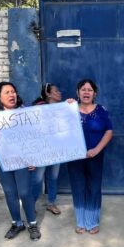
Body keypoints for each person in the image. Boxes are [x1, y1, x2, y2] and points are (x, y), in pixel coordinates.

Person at [0, 82, 41, 241]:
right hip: (2, 161)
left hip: (22, 160)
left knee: (25, 192)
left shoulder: (24, 111)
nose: (11, 95)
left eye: (13, 91)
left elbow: (35, 136)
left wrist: (34, 157)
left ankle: (32, 224)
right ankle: (17, 223)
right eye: (7, 92)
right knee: (10, 193)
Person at [67, 79, 113, 234]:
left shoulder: (101, 110)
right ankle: (80, 221)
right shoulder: (69, 110)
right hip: (75, 157)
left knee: (94, 188)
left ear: (95, 93)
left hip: (95, 156)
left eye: (90, 90)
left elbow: (109, 131)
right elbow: (56, 126)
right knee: (78, 187)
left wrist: (97, 149)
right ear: (77, 92)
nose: (86, 92)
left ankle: (92, 221)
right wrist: (64, 107)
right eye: (83, 89)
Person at [30, 83, 63, 216]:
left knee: (53, 178)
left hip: (56, 150)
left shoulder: (62, 109)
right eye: (56, 91)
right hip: (41, 151)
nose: (59, 93)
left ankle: (51, 203)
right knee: (37, 179)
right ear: (48, 94)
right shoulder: (38, 109)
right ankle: (30, 205)